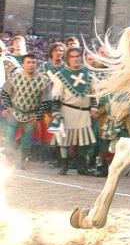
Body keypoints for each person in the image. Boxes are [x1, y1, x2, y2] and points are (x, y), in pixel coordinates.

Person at [49, 47, 99, 175]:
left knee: (84, 141)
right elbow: (56, 97)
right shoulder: (61, 75)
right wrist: (56, 112)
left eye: (77, 56)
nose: (75, 59)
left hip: (84, 112)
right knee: (65, 140)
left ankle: (82, 167)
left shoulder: (89, 74)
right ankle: (64, 165)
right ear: (68, 59)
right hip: (67, 111)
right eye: (72, 56)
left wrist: (94, 108)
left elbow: (95, 94)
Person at [1, 54, 50, 168]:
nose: (31, 65)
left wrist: (38, 116)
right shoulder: (14, 77)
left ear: (37, 64)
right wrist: (8, 107)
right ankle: (8, 160)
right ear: (22, 64)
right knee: (9, 136)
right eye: (28, 62)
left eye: (33, 62)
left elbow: (46, 101)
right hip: (15, 111)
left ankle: (20, 161)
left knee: (26, 142)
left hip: (31, 114)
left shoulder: (44, 80)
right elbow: (5, 93)